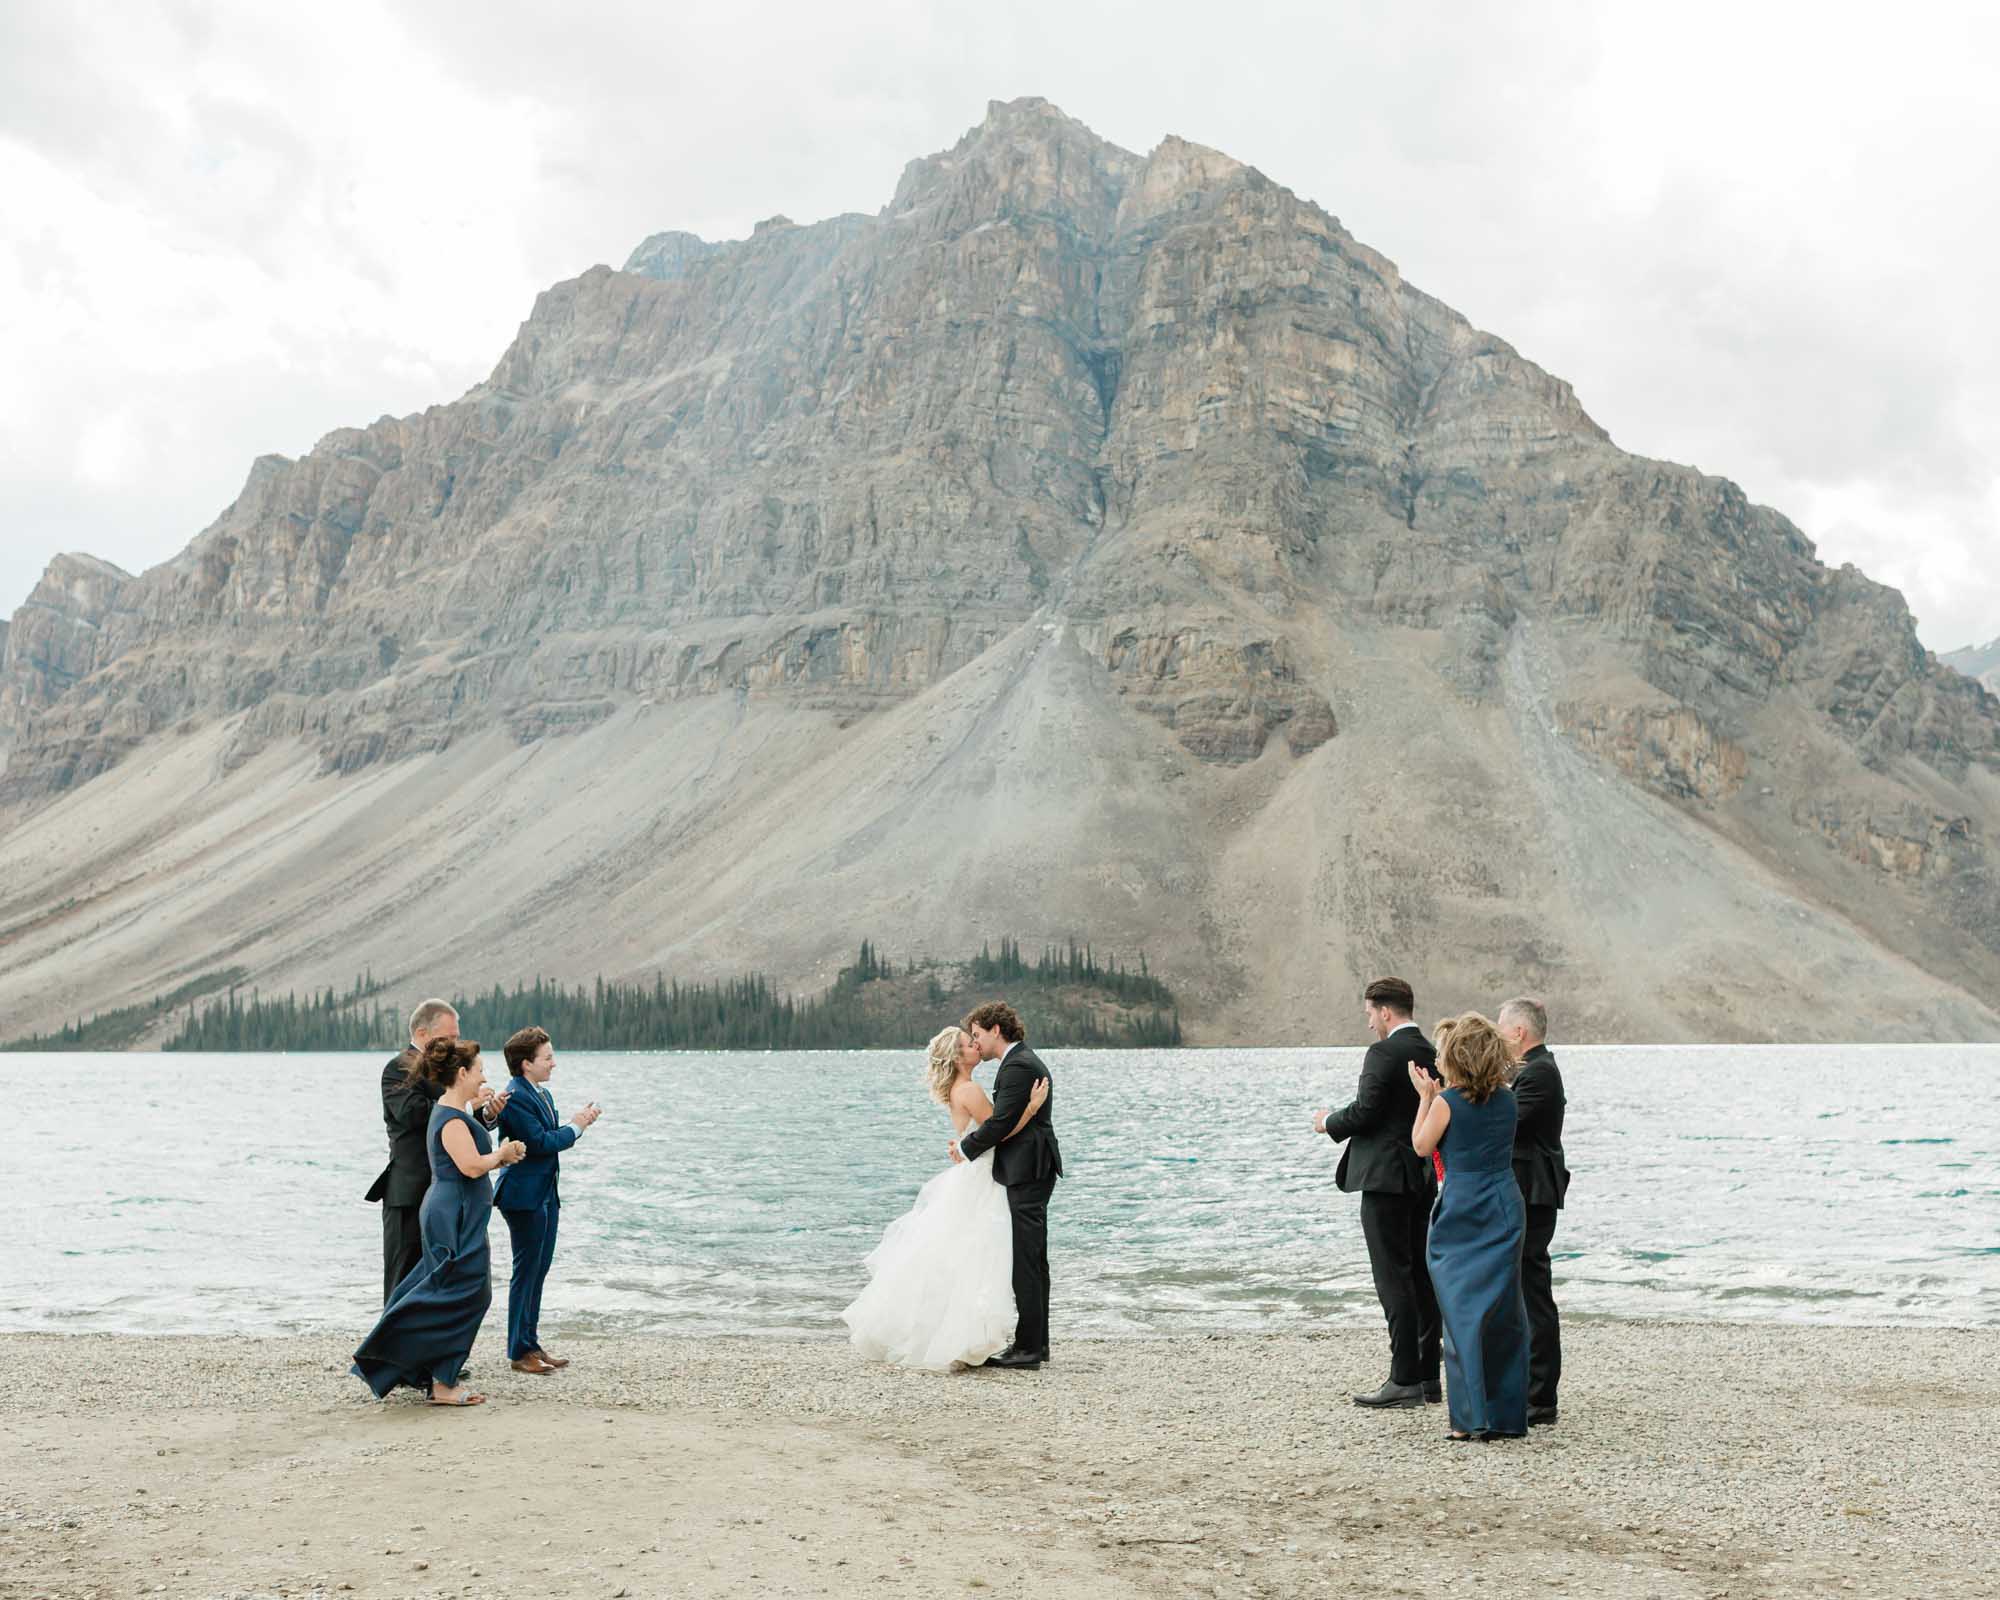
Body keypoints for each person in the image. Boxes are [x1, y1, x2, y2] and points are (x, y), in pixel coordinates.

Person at [841, 1025, 1049, 1370]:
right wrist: (1030, 1108)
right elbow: (1001, 1133)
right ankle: (970, 1337)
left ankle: (972, 1335)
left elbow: (987, 1132)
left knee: (964, 1257)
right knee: (981, 1259)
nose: (976, 1047)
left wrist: (967, 1146)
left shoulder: (959, 1088)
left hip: (974, 1174)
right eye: (970, 1044)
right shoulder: (969, 1089)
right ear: (957, 1056)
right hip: (984, 1177)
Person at [353, 1037, 525, 1406]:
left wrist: (499, 1153)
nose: (484, 1076)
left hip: (459, 1210)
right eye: (479, 1069)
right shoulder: (449, 1117)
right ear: (462, 1073)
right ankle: (439, 1380)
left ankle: (418, 1367)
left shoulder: (456, 1112)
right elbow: (470, 1165)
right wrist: (503, 1153)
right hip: (454, 1212)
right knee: (464, 1292)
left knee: (450, 1289)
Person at [1314, 978, 1442, 1408]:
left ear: (1386, 1011)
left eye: (1370, 1013)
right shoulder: (1429, 1050)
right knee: (1422, 1277)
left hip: (1385, 1179)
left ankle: (1403, 1378)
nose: (1369, 1023)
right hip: (1420, 1176)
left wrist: (1327, 1121)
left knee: (1393, 1278)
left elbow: (1366, 1111)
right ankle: (1428, 1377)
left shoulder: (1383, 1053)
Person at [1410, 1012, 1529, 1440]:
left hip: (1461, 1205)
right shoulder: (1509, 1099)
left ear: (1456, 1056)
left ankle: (1470, 1419)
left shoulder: (1448, 1103)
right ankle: (1506, 1417)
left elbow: (1422, 1145)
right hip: (1503, 1204)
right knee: (1503, 1312)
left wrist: (1425, 1096)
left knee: (1460, 1312)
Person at [946, 1002, 1062, 1369]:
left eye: (977, 1034)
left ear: (997, 1030)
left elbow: (1000, 1125)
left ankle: (1028, 1349)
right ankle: (1036, 1345)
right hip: (1030, 1168)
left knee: (1026, 1262)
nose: (976, 1043)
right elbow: (1008, 1121)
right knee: (1033, 1260)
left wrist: (965, 1148)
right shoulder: (1019, 1063)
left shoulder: (1018, 1066)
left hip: (1027, 1170)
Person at [365, 999, 505, 1305]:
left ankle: (424, 1347)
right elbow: (412, 1113)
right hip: (410, 1189)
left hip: (445, 1194)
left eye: (457, 1037)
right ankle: (385, 1348)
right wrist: (466, 1104)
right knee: (403, 1277)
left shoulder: (446, 1071)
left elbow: (458, 1128)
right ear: (423, 1033)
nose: (456, 1043)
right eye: (450, 1037)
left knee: (439, 1276)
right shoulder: (398, 1067)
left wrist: (485, 1113)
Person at [494, 1026, 601, 1375]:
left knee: (539, 1270)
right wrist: (577, 1127)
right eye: (547, 1058)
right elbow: (540, 1142)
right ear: (526, 1064)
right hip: (523, 1197)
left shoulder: (541, 1094)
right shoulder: (515, 1096)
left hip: (545, 1194)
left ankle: (531, 1342)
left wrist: (575, 1126)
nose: (553, 1063)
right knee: (525, 1272)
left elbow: (549, 1139)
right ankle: (518, 1350)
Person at [1498, 996, 1569, 1426]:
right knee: (1524, 1284)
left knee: (1533, 1286)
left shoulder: (1540, 1072)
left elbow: (1510, 1123)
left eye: (1501, 1030)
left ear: (1519, 1033)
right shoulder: (1531, 1070)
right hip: (1526, 1188)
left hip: (1534, 1191)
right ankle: (1527, 1385)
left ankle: (1541, 1395)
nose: (1498, 1037)